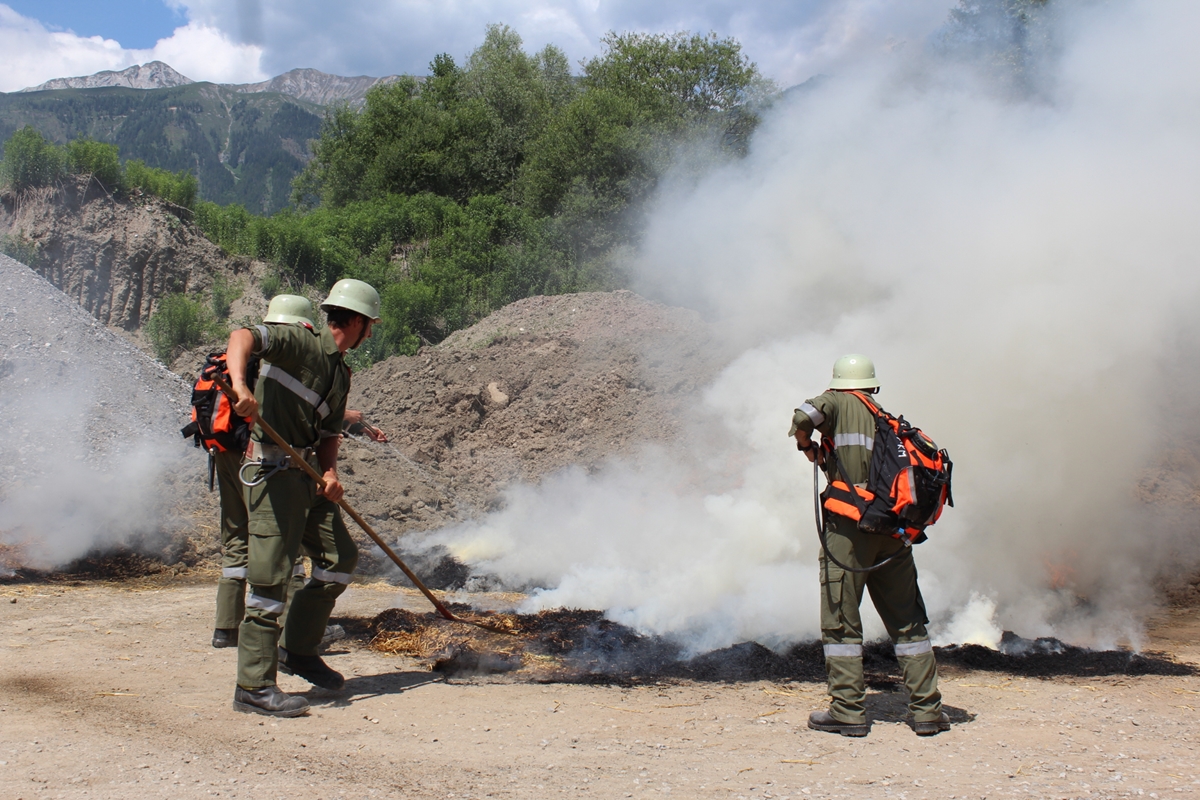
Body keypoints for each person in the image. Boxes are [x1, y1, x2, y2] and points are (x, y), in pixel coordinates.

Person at [224, 279, 381, 717]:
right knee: (271, 578)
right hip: (273, 476)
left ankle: (300, 650)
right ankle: (253, 685)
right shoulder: (300, 341)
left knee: (339, 559)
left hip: (308, 476)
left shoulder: (341, 371)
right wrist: (240, 386)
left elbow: (330, 432)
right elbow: (242, 336)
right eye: (371, 325)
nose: (371, 333)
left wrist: (330, 472)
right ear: (360, 322)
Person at [789, 354, 949, 737]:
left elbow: (802, 415)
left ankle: (848, 711)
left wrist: (804, 443)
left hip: (850, 531)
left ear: (838, 382)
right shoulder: (883, 416)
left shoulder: (835, 401)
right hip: (892, 532)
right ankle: (927, 710)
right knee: (907, 620)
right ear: (871, 385)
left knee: (841, 623)